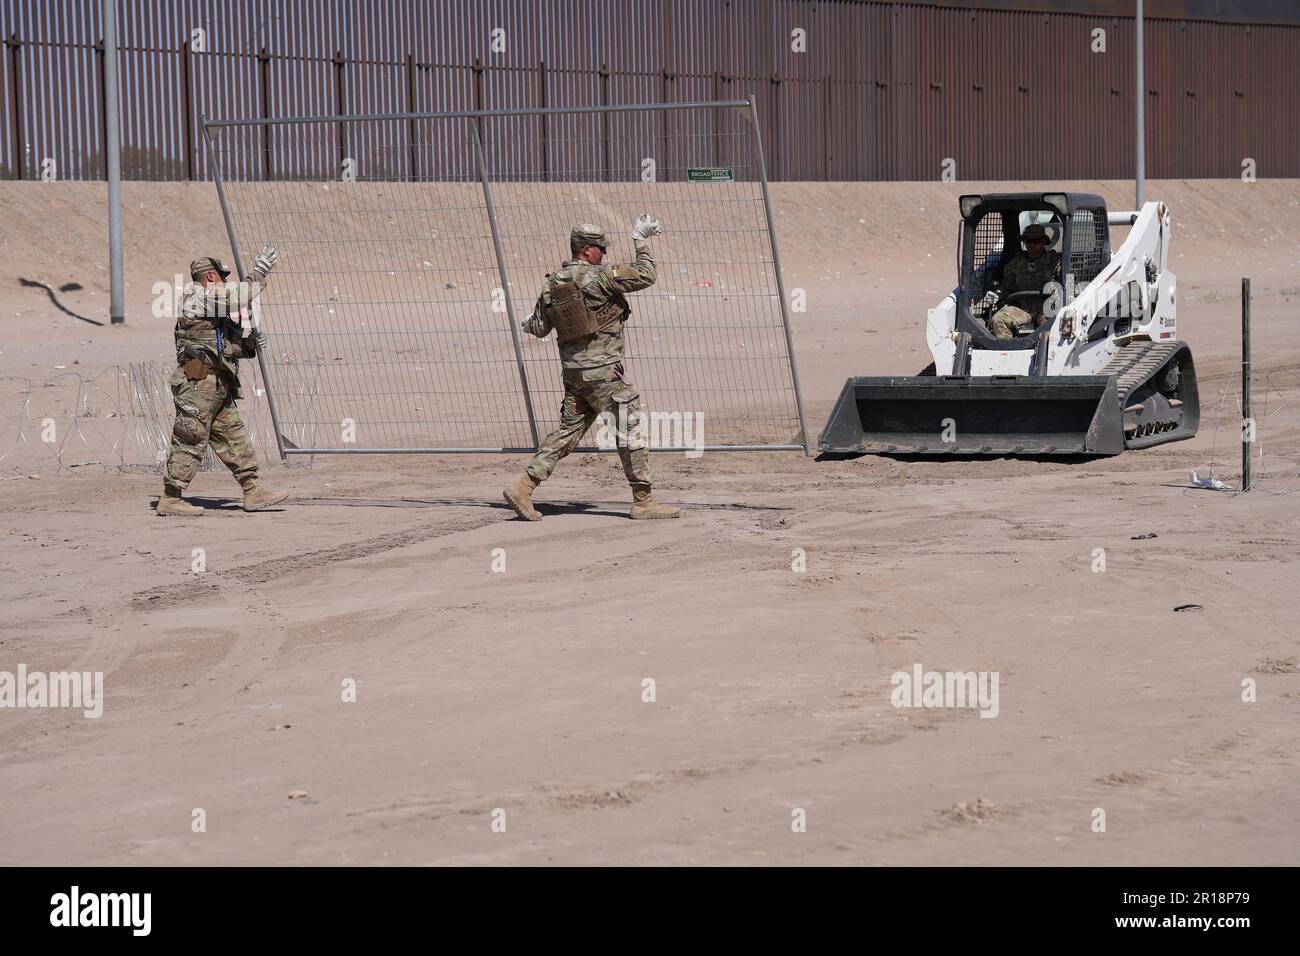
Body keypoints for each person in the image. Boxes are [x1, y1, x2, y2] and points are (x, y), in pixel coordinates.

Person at [503, 218, 681, 521]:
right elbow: (647, 275)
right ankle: (643, 500)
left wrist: (525, 322)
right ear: (586, 250)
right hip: (603, 375)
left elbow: (539, 327)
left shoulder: (554, 282)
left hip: (574, 375)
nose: (604, 254)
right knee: (629, 430)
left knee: (568, 432)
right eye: (601, 249)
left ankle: (523, 486)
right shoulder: (600, 277)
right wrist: (640, 241)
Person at [156, 247, 289, 516]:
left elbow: (226, 346)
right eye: (221, 276)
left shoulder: (212, 308)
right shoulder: (196, 296)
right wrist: (259, 273)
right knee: (190, 439)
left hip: (216, 385)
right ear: (209, 277)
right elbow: (237, 298)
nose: (225, 281)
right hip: (197, 384)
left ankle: (252, 490)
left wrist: (249, 344)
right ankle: (171, 498)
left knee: (234, 436)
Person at [985, 222, 1062, 339]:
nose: (1032, 244)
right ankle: (1007, 353)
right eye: (1028, 241)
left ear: (1043, 242)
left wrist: (1059, 290)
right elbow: (1005, 287)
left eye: (1036, 241)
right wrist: (995, 295)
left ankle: (1047, 355)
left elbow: (1067, 282)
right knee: (998, 320)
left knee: (1052, 326)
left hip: (1046, 308)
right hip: (1021, 308)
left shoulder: (1054, 261)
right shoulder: (1016, 263)